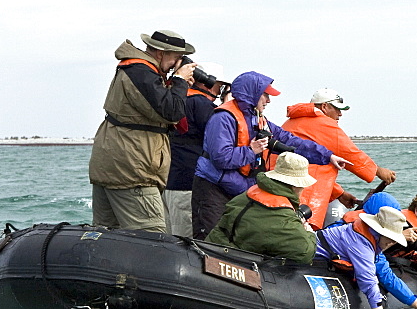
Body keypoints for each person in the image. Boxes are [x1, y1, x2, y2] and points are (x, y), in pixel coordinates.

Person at [192, 71, 347, 239]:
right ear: (252, 94)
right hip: (213, 189)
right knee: (209, 240)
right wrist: (251, 151)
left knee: (235, 239)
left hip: (238, 189)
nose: (269, 100)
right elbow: (221, 158)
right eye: (265, 95)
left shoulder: (258, 119)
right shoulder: (223, 118)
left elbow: (290, 140)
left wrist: (328, 156)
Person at [89, 29, 196, 232]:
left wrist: (174, 83)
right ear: (161, 53)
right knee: (153, 238)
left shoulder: (137, 70)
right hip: (133, 169)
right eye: (176, 58)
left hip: (114, 164)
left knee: (108, 235)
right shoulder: (140, 72)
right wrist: (180, 81)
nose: (178, 63)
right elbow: (171, 111)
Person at [280, 88, 397, 227]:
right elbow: (349, 153)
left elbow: (307, 168)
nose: (340, 114)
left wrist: (339, 194)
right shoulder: (322, 123)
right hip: (304, 197)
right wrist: (378, 171)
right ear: (325, 106)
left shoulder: (291, 123)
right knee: (303, 230)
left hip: (282, 191)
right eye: (337, 109)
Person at [314, 205, 410, 309]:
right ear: (379, 232)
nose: (391, 243)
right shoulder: (361, 245)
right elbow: (369, 284)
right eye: (389, 238)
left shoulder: (369, 236)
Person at [163, 62, 229, 237]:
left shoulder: (177, 99)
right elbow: (224, 137)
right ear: (206, 81)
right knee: (186, 241)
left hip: (170, 180)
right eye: (219, 86)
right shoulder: (201, 105)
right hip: (188, 185)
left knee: (170, 237)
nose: (219, 91)